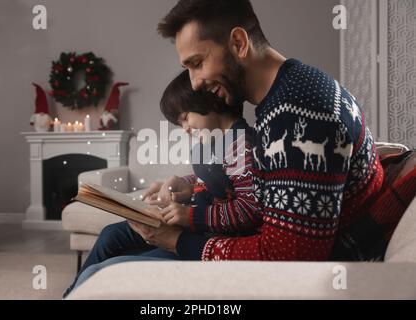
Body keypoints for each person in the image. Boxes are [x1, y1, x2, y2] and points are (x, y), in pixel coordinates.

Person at [129, 0, 404, 262]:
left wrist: (178, 242)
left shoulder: (298, 112)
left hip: (314, 275)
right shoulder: (289, 92)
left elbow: (285, 257)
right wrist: (191, 185)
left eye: (197, 63)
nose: (195, 83)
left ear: (238, 43)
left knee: (110, 270)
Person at [63, 69, 261, 297]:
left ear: (211, 101)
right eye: (180, 123)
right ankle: (71, 293)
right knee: (111, 234)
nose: (185, 128)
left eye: (186, 117)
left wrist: (189, 216)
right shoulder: (213, 142)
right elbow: (215, 180)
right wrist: (181, 182)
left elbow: (250, 208)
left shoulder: (240, 145)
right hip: (198, 224)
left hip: (209, 236)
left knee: (120, 265)